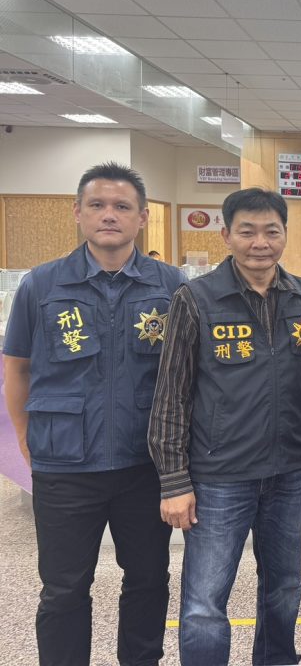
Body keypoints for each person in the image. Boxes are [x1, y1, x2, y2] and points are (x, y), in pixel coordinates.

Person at [2, 162, 185, 666]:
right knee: (63, 588)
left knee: (148, 580)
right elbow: (17, 368)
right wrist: (26, 438)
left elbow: (186, 375)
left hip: (144, 463)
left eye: (122, 206)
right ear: (77, 212)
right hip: (66, 464)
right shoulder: (42, 285)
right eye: (97, 205)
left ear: (142, 217)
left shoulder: (170, 285)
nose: (109, 215)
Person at [148, 187, 301, 666]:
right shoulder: (196, 298)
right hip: (219, 477)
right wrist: (174, 481)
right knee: (205, 600)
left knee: (284, 585)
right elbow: (171, 394)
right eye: (247, 231)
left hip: (289, 471)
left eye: (271, 231)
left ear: (285, 235)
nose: (260, 243)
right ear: (227, 236)